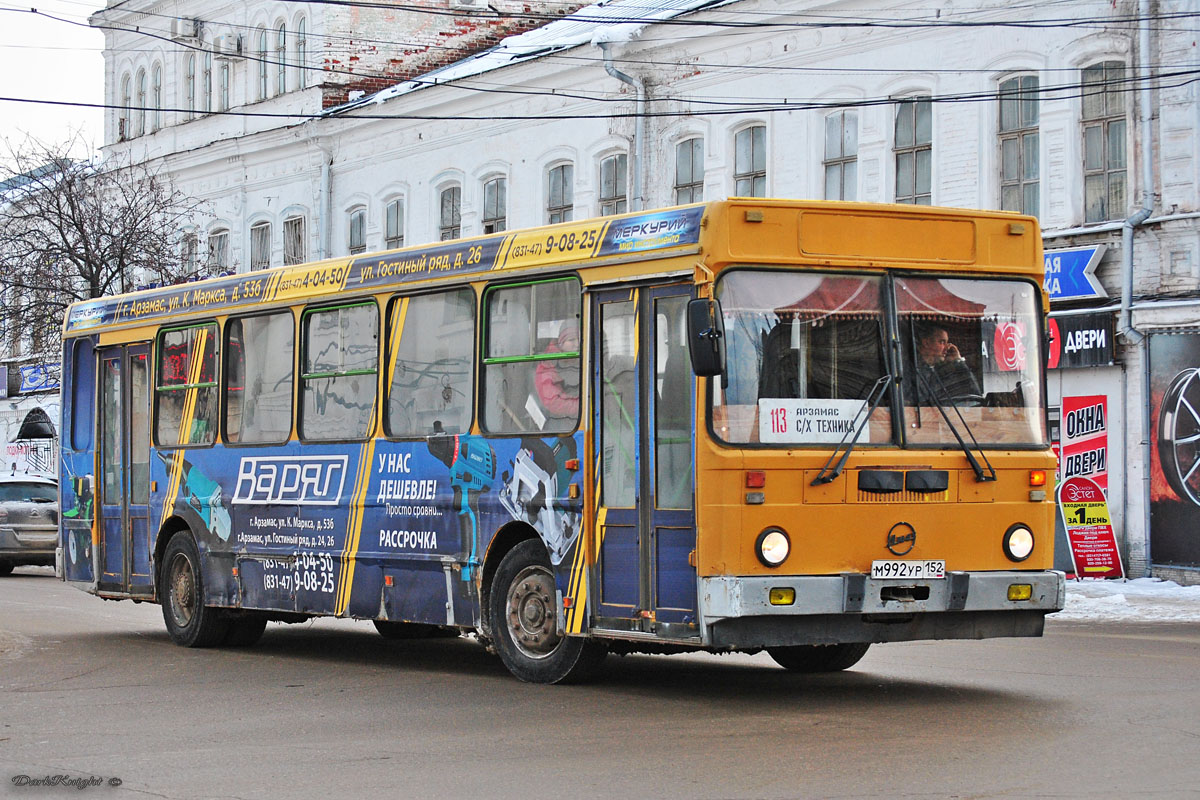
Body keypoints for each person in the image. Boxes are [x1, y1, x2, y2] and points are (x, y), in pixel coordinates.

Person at [910, 324, 980, 404]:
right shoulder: (912, 368)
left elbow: (974, 392)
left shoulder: (942, 370)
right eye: (942, 342)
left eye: (947, 343)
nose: (947, 347)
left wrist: (958, 361)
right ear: (926, 343)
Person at [534, 323, 580, 422]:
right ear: (561, 343)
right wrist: (584, 406)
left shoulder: (581, 361)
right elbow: (554, 402)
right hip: (559, 423)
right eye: (571, 340)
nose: (577, 344)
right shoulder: (548, 364)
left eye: (579, 339)